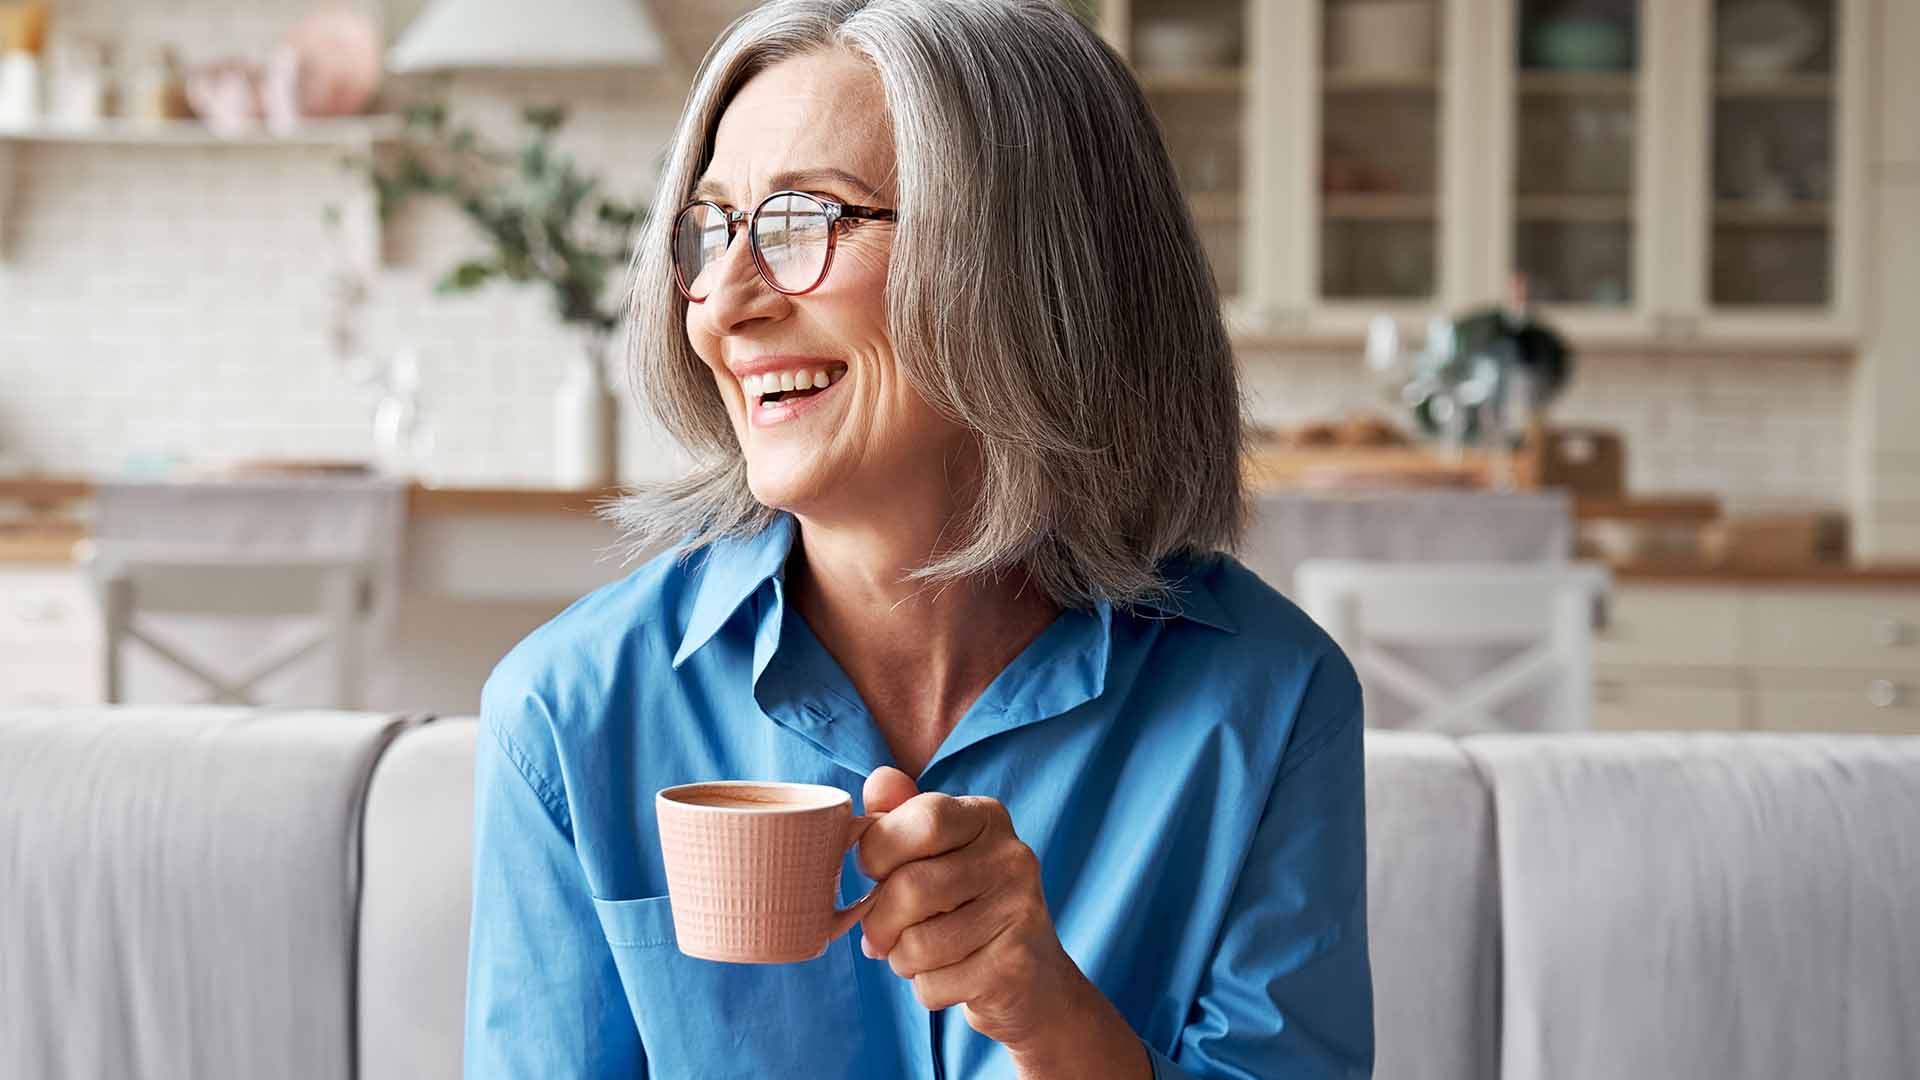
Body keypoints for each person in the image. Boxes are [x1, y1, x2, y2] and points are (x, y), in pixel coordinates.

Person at [463, 2, 1372, 1077]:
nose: (723, 304)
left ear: (1033, 264)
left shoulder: (1267, 704)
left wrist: (1046, 1014)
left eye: (804, 220)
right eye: (710, 231)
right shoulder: (568, 715)